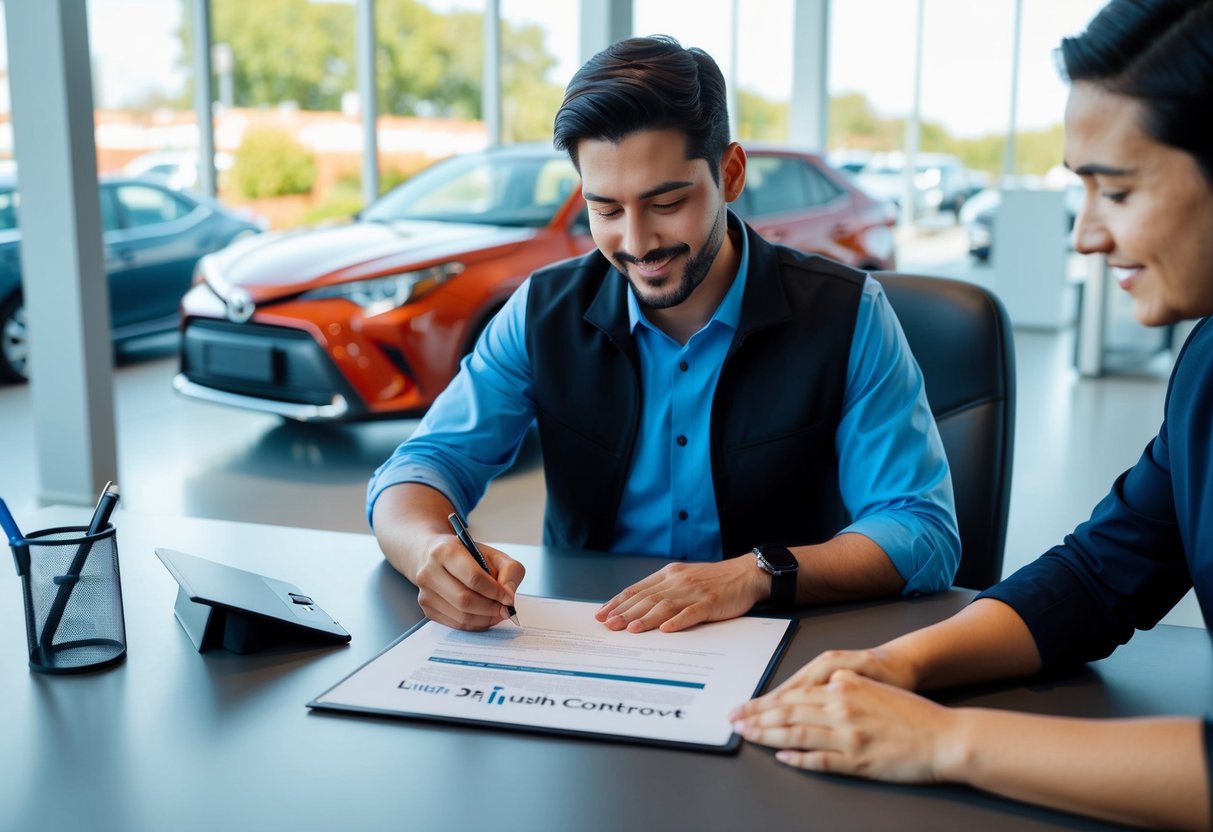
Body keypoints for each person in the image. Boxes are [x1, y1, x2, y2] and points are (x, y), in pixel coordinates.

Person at [729, 2, 1213, 828]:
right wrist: (896, 666)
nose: (1086, 237)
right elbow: (1101, 575)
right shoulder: (1205, 361)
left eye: (1118, 191)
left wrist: (941, 743)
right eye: (1080, 190)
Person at [367, 36, 959, 634]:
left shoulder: (849, 314)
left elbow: (921, 531)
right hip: (587, 640)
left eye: (668, 201)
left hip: (784, 642)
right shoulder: (542, 311)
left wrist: (752, 574)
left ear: (730, 174)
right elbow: (422, 466)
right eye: (607, 210)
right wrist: (427, 553)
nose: (639, 241)